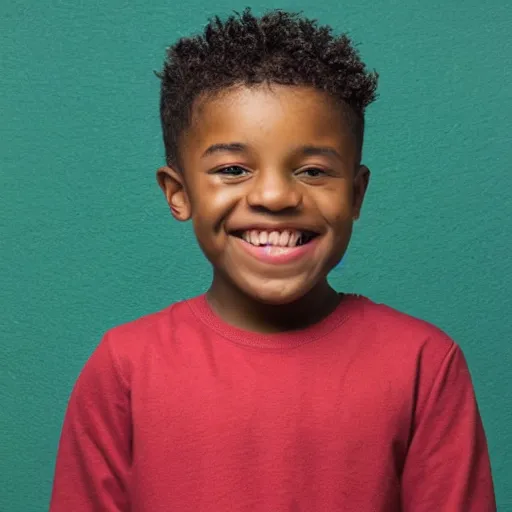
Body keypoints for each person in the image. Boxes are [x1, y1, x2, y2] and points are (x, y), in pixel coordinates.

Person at [50, 9, 496, 511]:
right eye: (234, 169)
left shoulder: (426, 364)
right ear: (178, 194)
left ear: (356, 195)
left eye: (311, 170)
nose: (275, 195)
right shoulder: (124, 366)